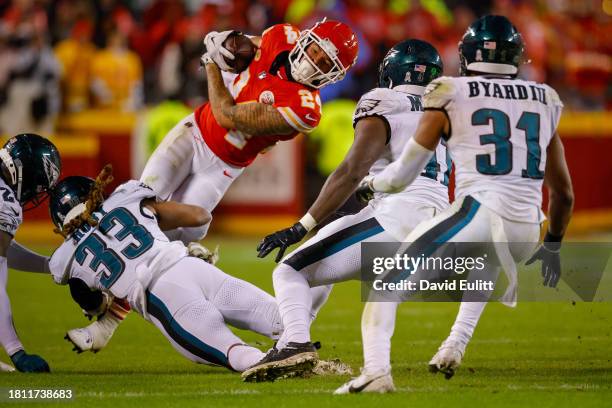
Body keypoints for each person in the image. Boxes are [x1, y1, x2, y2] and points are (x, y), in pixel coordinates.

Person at [352, 15, 573, 387]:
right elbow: (564, 194)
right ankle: (455, 343)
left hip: (480, 212)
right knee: (485, 261)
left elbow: (403, 174)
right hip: (527, 228)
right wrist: (552, 247)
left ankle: (376, 372)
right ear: (517, 56)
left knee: (386, 283)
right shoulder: (546, 98)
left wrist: (373, 183)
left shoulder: (449, 90)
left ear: (466, 55)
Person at [245, 39, 449, 386]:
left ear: (391, 72)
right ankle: (289, 341)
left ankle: (295, 343)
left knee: (289, 271)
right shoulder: (442, 107)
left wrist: (301, 226)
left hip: (398, 220)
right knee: (324, 252)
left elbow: (352, 170)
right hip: (438, 227)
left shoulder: (383, 99)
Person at [140, 20, 359, 244]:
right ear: (306, 39)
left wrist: (210, 62)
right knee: (142, 199)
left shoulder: (305, 109)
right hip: (194, 132)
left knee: (179, 235)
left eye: (325, 64)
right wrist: (225, 43)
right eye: (315, 51)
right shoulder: (282, 36)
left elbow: (225, 116)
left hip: (222, 167)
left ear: (334, 74)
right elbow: (244, 46)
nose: (314, 62)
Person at [47, 167, 285, 372]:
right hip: (191, 267)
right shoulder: (125, 198)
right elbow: (199, 216)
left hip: (162, 296)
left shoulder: (66, 259)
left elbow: (96, 306)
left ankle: (268, 361)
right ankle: (300, 347)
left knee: (232, 352)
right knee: (284, 319)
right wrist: (151, 221)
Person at [0, 133, 61, 372]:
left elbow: (5, 250)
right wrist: (17, 351)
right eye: (37, 186)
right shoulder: (5, 202)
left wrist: (48, 265)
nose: (36, 193)